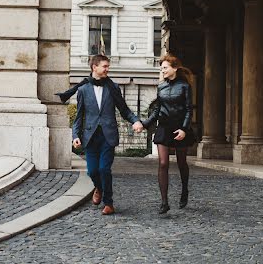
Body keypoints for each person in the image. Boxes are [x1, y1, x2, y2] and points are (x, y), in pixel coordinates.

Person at [64, 54, 143, 215]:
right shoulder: (83, 90)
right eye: (105, 66)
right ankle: (99, 188)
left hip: (108, 135)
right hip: (90, 136)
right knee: (92, 171)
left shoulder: (113, 87)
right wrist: (75, 136)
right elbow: (79, 116)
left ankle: (109, 202)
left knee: (104, 169)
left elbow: (124, 109)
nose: (108, 69)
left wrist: (135, 121)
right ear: (95, 67)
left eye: (108, 66)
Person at [142, 54, 194, 215]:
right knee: (163, 163)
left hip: (180, 128)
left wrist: (184, 129)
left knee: (181, 163)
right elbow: (157, 110)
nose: (162, 70)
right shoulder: (161, 87)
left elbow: (188, 109)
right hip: (164, 128)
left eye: (165, 67)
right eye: (161, 68)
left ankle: (184, 189)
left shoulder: (185, 86)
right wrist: (144, 124)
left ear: (174, 68)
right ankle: (164, 202)